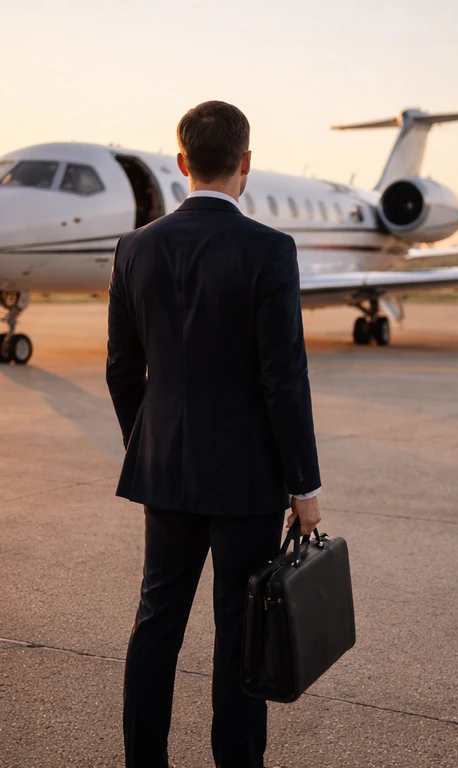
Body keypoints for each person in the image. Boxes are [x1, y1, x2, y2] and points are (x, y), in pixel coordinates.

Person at [107, 100, 323, 768]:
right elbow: (283, 379)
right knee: (240, 633)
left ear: (182, 163)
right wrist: (304, 487)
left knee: (155, 626)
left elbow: (122, 370)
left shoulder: (135, 248)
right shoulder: (269, 249)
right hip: (247, 480)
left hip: (166, 472)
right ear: (245, 163)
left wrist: (151, 445)